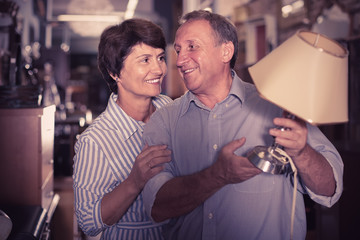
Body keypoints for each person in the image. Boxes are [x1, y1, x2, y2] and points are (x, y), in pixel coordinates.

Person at [142, 10, 343, 240]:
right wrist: (218, 175)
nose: (179, 61)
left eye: (192, 47)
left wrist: (302, 152)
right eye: (178, 50)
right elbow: (157, 207)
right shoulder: (164, 121)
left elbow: (330, 190)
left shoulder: (277, 106)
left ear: (226, 51)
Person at [73, 18, 173, 239]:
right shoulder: (95, 141)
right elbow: (88, 222)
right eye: (145, 60)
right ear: (114, 72)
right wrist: (134, 181)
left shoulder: (171, 110)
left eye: (160, 58)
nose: (158, 69)